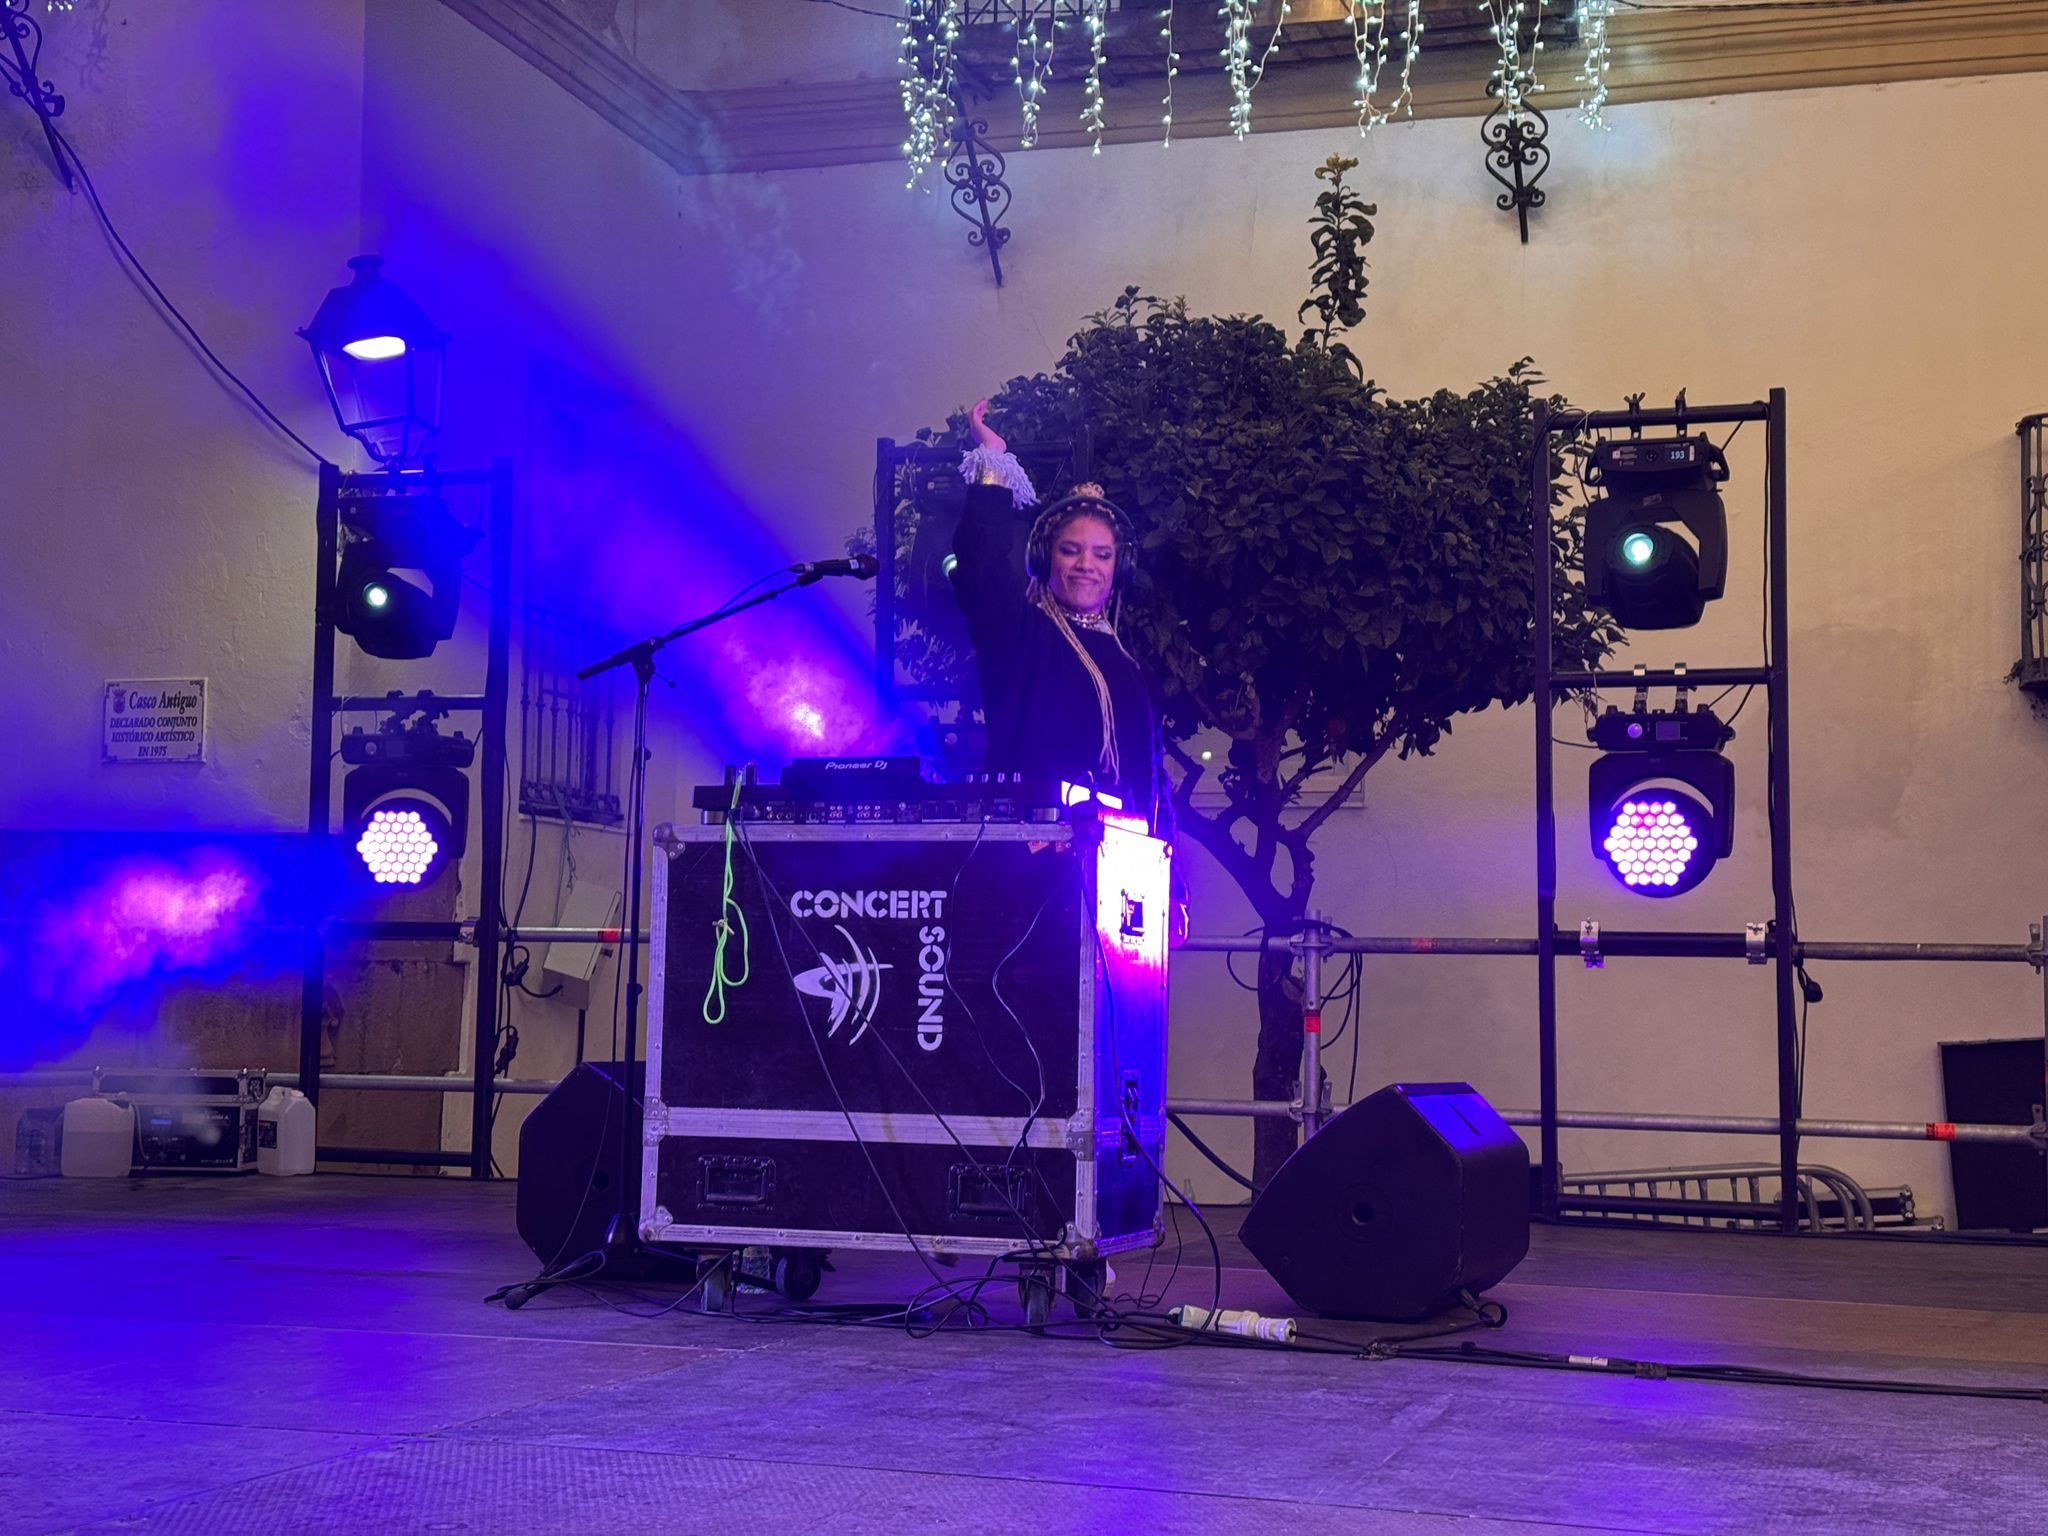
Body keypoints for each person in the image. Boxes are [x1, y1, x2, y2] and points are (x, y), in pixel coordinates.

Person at [948, 399, 1171, 834]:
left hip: (1123, 858)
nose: (1087, 565)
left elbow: (1153, 786)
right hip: (1032, 854)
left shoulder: (1132, 666)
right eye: (1070, 550)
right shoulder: (1021, 634)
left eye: (1102, 555)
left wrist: (1167, 863)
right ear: (1043, 559)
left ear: (1119, 568)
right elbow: (979, 564)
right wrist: (993, 459)